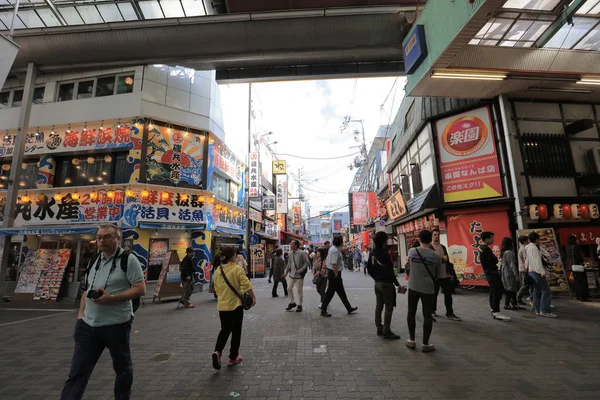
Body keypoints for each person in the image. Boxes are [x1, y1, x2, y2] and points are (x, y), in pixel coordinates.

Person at [61, 224, 146, 400]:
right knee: (77, 372)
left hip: (116, 325)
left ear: (117, 239)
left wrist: (112, 298)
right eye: (99, 237)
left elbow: (140, 289)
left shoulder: (128, 260)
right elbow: (86, 289)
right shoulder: (94, 259)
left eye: (107, 237)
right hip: (87, 325)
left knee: (122, 369)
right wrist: (80, 316)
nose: (102, 241)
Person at [211, 246, 256, 370]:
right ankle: (232, 357)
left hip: (222, 306)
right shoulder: (237, 269)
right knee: (236, 331)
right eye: (235, 254)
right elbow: (246, 285)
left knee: (224, 330)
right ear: (232, 256)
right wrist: (253, 297)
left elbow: (216, 288)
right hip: (235, 306)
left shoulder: (218, 270)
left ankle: (217, 352)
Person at [405, 230, 441, 353]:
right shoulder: (436, 256)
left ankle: (411, 340)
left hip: (413, 287)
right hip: (428, 289)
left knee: (411, 313)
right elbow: (439, 274)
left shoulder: (412, 252)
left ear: (419, 239)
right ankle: (425, 344)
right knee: (427, 316)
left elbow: (408, 267)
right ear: (431, 239)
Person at [368, 232, 401, 339]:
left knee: (379, 305)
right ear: (383, 241)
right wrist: (397, 284)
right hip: (386, 284)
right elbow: (390, 271)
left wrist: (376, 278)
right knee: (388, 307)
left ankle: (379, 327)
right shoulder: (384, 253)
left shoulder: (372, 253)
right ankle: (386, 330)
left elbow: (369, 268)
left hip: (377, 284)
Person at [320, 235, 359, 317]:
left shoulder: (333, 248)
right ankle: (323, 309)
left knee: (341, 292)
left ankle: (348, 308)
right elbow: (334, 263)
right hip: (334, 273)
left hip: (333, 272)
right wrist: (336, 274)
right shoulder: (335, 250)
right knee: (330, 293)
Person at [430, 229, 461, 321]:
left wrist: (450, 273)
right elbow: (431, 261)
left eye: (438, 234)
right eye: (435, 234)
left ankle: (449, 313)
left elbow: (448, 262)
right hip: (435, 276)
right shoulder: (430, 248)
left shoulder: (443, 247)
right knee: (433, 295)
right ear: (432, 236)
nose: (436, 236)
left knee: (448, 295)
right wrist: (441, 259)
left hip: (445, 275)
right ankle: (432, 310)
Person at [480, 231, 511, 321]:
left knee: (493, 291)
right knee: (496, 292)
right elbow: (494, 260)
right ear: (487, 239)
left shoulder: (482, 248)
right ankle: (496, 311)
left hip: (489, 272)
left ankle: (493, 308)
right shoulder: (485, 249)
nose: (493, 239)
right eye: (491, 238)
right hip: (491, 273)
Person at [526, 232, 557, 318]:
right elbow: (538, 262)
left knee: (536, 291)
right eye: (539, 239)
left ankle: (537, 310)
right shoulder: (534, 248)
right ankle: (544, 310)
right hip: (537, 271)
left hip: (531, 271)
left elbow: (527, 261)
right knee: (546, 291)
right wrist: (542, 272)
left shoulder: (528, 248)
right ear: (536, 239)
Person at [284, 239, 310, 312]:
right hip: (292, 275)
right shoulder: (290, 254)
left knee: (299, 291)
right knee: (289, 288)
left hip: (299, 276)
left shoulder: (301, 253)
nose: (290, 245)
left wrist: (301, 270)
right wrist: (285, 273)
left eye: (292, 244)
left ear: (296, 245)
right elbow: (288, 265)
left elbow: (307, 263)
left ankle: (299, 305)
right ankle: (292, 302)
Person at [500, 238, 522, 310]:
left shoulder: (503, 252)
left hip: (504, 271)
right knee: (512, 288)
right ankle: (514, 304)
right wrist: (516, 275)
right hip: (509, 272)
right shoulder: (509, 252)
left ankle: (507, 304)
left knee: (508, 288)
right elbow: (512, 264)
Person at [568, 235, 589, 302]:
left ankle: (578, 296)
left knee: (576, 282)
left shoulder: (569, 248)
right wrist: (583, 263)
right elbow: (579, 257)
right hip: (579, 266)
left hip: (573, 266)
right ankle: (583, 296)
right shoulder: (576, 247)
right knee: (582, 282)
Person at [516, 236, 532, 305]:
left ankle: (531, 297)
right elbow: (525, 259)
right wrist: (527, 268)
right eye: (528, 240)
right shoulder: (524, 249)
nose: (529, 241)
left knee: (528, 284)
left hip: (523, 269)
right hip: (524, 269)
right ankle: (518, 297)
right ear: (525, 241)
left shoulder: (521, 248)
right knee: (526, 284)